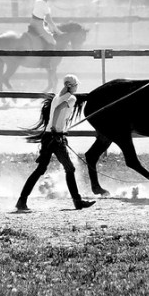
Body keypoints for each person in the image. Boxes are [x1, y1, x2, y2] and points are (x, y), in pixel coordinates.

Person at [16, 74, 96, 211]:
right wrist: (55, 128)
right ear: (71, 86)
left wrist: (54, 127)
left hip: (48, 136)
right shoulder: (71, 98)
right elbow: (59, 110)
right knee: (70, 169)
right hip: (57, 137)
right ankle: (77, 202)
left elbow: (57, 110)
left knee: (40, 169)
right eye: (76, 85)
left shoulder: (57, 97)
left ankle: (22, 200)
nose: (77, 87)